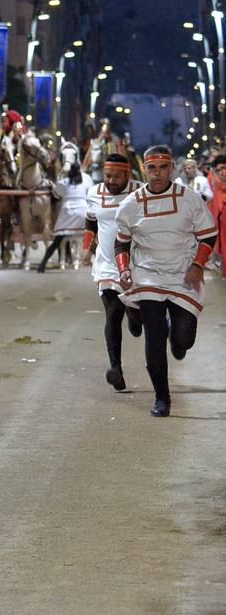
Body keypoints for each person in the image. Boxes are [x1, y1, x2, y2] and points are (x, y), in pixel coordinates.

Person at [114, 146, 218, 417]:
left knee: (183, 340)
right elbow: (121, 243)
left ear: (170, 168)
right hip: (147, 272)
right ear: (144, 170)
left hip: (183, 273)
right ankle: (162, 397)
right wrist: (124, 270)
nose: (157, 174)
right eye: (151, 168)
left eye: (162, 168)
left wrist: (198, 265)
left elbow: (208, 236)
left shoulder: (190, 199)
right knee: (154, 334)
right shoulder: (130, 204)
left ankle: (176, 336)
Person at [80, 153, 142, 392]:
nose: (111, 180)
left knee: (137, 315)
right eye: (108, 175)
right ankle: (116, 368)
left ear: (127, 174)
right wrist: (86, 248)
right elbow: (91, 220)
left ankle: (135, 316)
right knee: (112, 314)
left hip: (135, 264)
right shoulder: (94, 192)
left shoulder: (140, 192)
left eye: (117, 176)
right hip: (106, 264)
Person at [38, 154, 94, 274]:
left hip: (67, 212)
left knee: (57, 240)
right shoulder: (86, 179)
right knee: (95, 235)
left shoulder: (63, 181)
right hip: (82, 211)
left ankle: (42, 265)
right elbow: (91, 194)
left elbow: (57, 194)